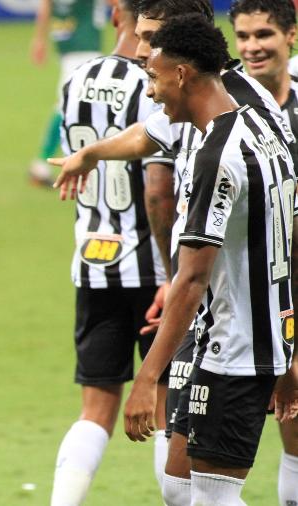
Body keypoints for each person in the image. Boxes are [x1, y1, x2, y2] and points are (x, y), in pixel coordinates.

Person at [121, 15, 298, 506]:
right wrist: (285, 352)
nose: (153, 93)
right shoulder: (264, 125)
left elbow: (192, 278)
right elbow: (289, 242)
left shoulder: (216, 156)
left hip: (234, 353)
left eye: (154, 78)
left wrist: (145, 379)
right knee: (180, 488)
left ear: (180, 75)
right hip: (242, 345)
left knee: (210, 500)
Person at [49, 0, 172, 503]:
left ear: (115, 13)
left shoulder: (76, 78)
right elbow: (157, 188)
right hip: (154, 267)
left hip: (93, 260)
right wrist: (173, 268)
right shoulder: (158, 84)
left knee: (95, 408)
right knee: (169, 409)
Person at [228, 1, 298, 503]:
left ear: (291, 36)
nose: (252, 46)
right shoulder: (223, 103)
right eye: (244, 36)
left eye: (265, 34)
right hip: (245, 293)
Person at [28, 0, 106, 186]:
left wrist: (39, 39)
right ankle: (44, 162)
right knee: (68, 106)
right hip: (83, 48)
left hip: (70, 45)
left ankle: (80, 159)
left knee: (77, 106)